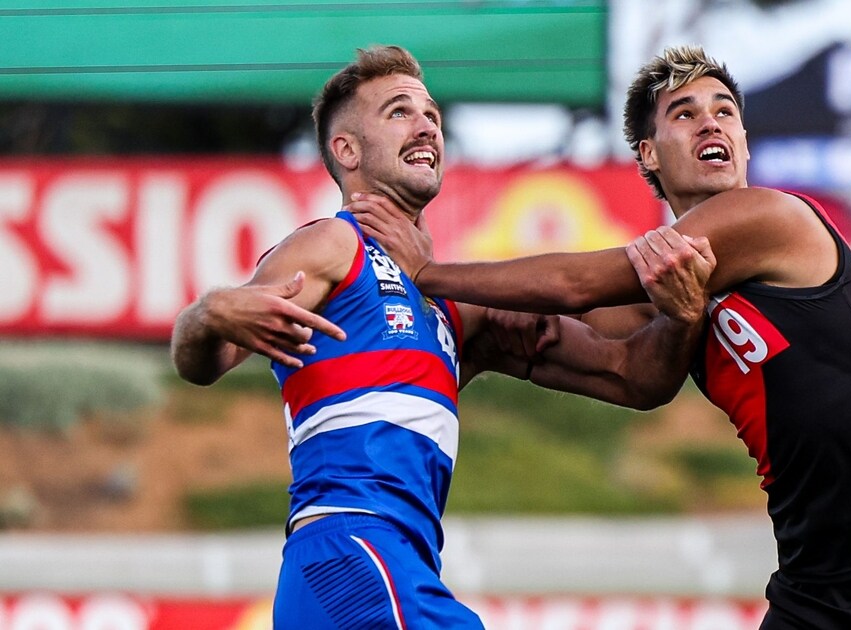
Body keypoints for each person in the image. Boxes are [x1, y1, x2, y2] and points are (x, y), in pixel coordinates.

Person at [348, 45, 851, 628]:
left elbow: (576, 285)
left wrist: (429, 271)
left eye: (725, 111)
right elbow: (635, 376)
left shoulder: (771, 217)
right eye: (686, 114)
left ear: (745, 143)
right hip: (820, 583)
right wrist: (412, 314)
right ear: (648, 154)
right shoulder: (668, 284)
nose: (711, 122)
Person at [170, 45, 714, 630]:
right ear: (347, 151)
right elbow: (203, 360)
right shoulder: (333, 244)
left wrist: (687, 310)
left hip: (389, 569)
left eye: (432, 114)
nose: (427, 124)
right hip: (353, 551)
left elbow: (633, 376)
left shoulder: (457, 311)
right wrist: (207, 314)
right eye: (399, 112)